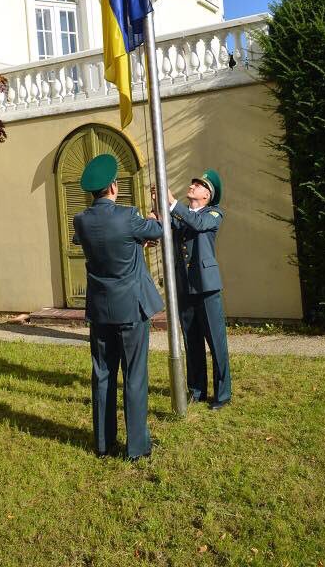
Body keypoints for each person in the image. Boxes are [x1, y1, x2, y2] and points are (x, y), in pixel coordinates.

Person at [73, 153, 164, 460]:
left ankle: (103, 443)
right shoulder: (127, 216)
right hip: (131, 309)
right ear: (113, 187)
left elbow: (102, 243)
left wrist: (133, 242)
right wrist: (151, 220)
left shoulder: (81, 220)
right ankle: (137, 446)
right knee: (134, 375)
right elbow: (158, 231)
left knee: (102, 373)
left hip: (100, 310)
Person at [167, 170, 231, 410]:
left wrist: (172, 203)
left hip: (206, 287)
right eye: (193, 182)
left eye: (199, 185)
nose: (193, 186)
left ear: (207, 194)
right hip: (184, 287)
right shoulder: (180, 216)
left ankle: (222, 395)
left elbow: (198, 224)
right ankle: (197, 390)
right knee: (192, 341)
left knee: (216, 343)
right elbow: (167, 227)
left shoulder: (213, 213)